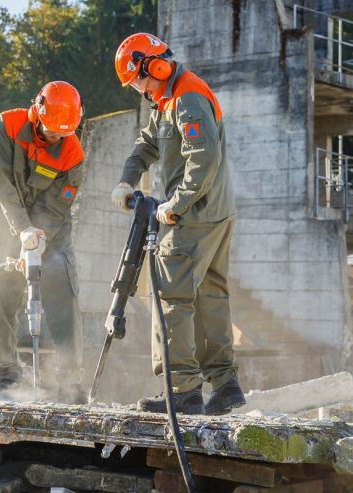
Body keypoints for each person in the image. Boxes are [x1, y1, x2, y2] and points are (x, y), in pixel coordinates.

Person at [111, 33, 245, 415]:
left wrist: (174, 205)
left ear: (153, 66)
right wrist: (127, 179)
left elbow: (204, 160)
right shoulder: (166, 98)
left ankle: (183, 391)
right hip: (214, 214)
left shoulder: (186, 97)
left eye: (138, 80)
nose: (138, 89)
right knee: (210, 298)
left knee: (170, 298)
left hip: (193, 216)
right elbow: (149, 143)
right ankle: (225, 385)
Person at [0, 81, 86, 403]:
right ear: (38, 113)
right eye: (53, 131)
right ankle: (5, 372)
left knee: (63, 291)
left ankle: (70, 382)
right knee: (1, 289)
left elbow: (58, 204)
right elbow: (4, 182)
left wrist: (40, 235)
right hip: (9, 217)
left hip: (52, 226)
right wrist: (23, 229)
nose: (58, 138)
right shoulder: (8, 125)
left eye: (64, 133)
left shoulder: (72, 151)